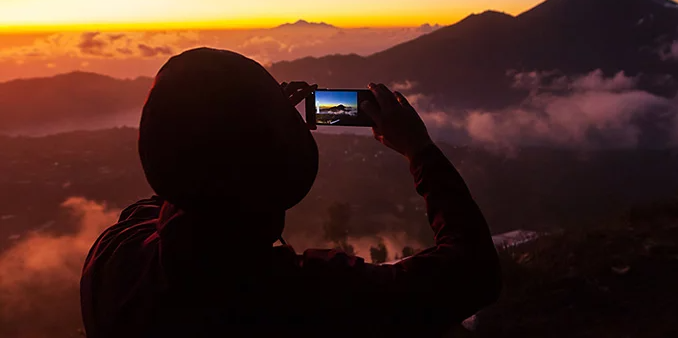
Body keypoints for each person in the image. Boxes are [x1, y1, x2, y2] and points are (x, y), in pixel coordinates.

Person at [80, 47, 501, 338]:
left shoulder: (114, 257)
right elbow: (474, 271)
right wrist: (419, 149)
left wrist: (252, 119)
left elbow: (178, 192)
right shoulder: (311, 300)